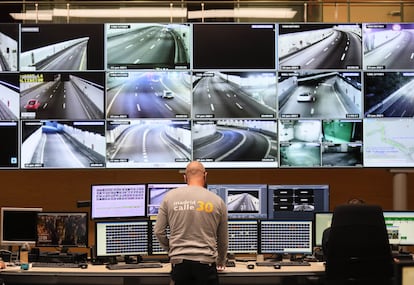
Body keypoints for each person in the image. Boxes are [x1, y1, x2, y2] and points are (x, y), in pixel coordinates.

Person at [154, 161, 228, 285]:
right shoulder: (217, 201)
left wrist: (172, 249)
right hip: (206, 264)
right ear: (205, 176)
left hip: (179, 264)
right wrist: (221, 261)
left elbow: (158, 231)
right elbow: (223, 239)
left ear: (184, 178)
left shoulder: (169, 197)